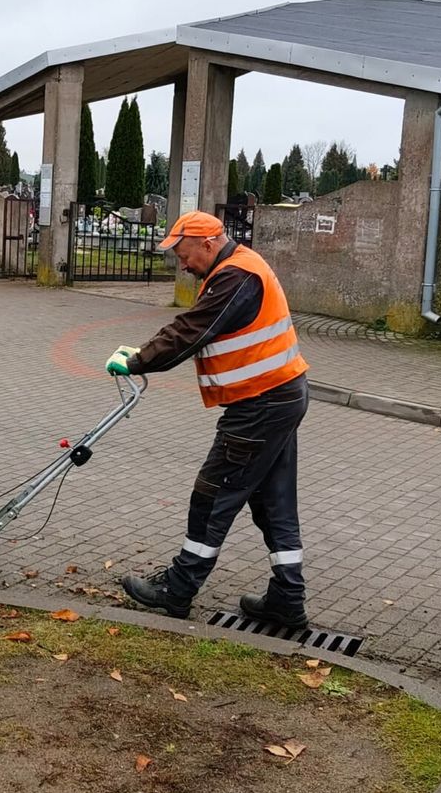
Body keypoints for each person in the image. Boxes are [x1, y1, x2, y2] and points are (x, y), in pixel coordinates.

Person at [106, 210, 310, 627]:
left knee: (212, 495)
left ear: (208, 243)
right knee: (274, 501)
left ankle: (177, 589)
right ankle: (287, 600)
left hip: (261, 404)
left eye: (185, 255)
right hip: (278, 396)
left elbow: (192, 330)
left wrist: (139, 360)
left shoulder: (236, 277)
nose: (183, 264)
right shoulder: (240, 267)